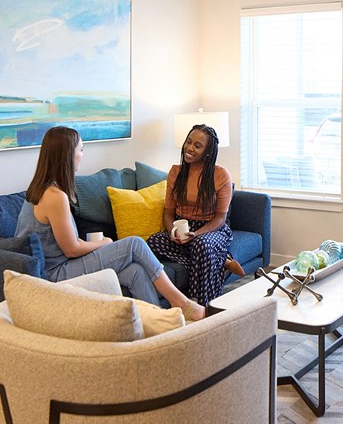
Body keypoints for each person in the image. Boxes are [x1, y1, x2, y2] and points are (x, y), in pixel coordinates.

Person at [16, 126, 204, 321]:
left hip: (60, 266)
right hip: (55, 275)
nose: (82, 154)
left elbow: (61, 243)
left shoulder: (41, 189)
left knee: (135, 272)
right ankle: (181, 302)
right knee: (134, 244)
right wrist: (104, 243)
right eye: (80, 149)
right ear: (67, 155)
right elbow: (71, 249)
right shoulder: (55, 196)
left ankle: (158, 326)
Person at [146, 123, 244, 306]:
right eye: (188, 142)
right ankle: (221, 260)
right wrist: (172, 232)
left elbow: (220, 218)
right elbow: (168, 212)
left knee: (201, 245)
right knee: (152, 242)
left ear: (207, 151)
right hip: (182, 226)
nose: (190, 148)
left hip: (211, 229)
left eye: (197, 146)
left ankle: (200, 304)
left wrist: (197, 234)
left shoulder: (220, 175)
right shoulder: (176, 172)